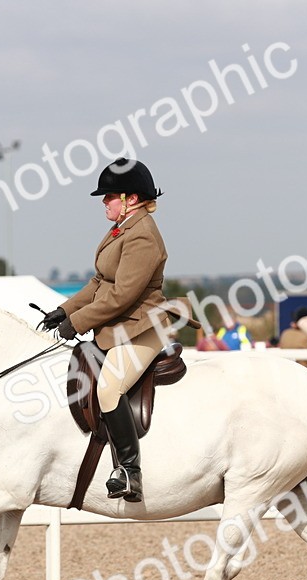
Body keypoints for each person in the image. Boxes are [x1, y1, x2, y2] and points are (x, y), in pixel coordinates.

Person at [40, 158, 194, 503]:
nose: (103, 201)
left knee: (109, 389)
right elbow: (99, 282)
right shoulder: (121, 228)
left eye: (110, 195)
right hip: (118, 326)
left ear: (132, 199)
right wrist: (63, 309)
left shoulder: (142, 236)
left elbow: (122, 295)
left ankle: (129, 471)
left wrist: (77, 323)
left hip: (142, 328)